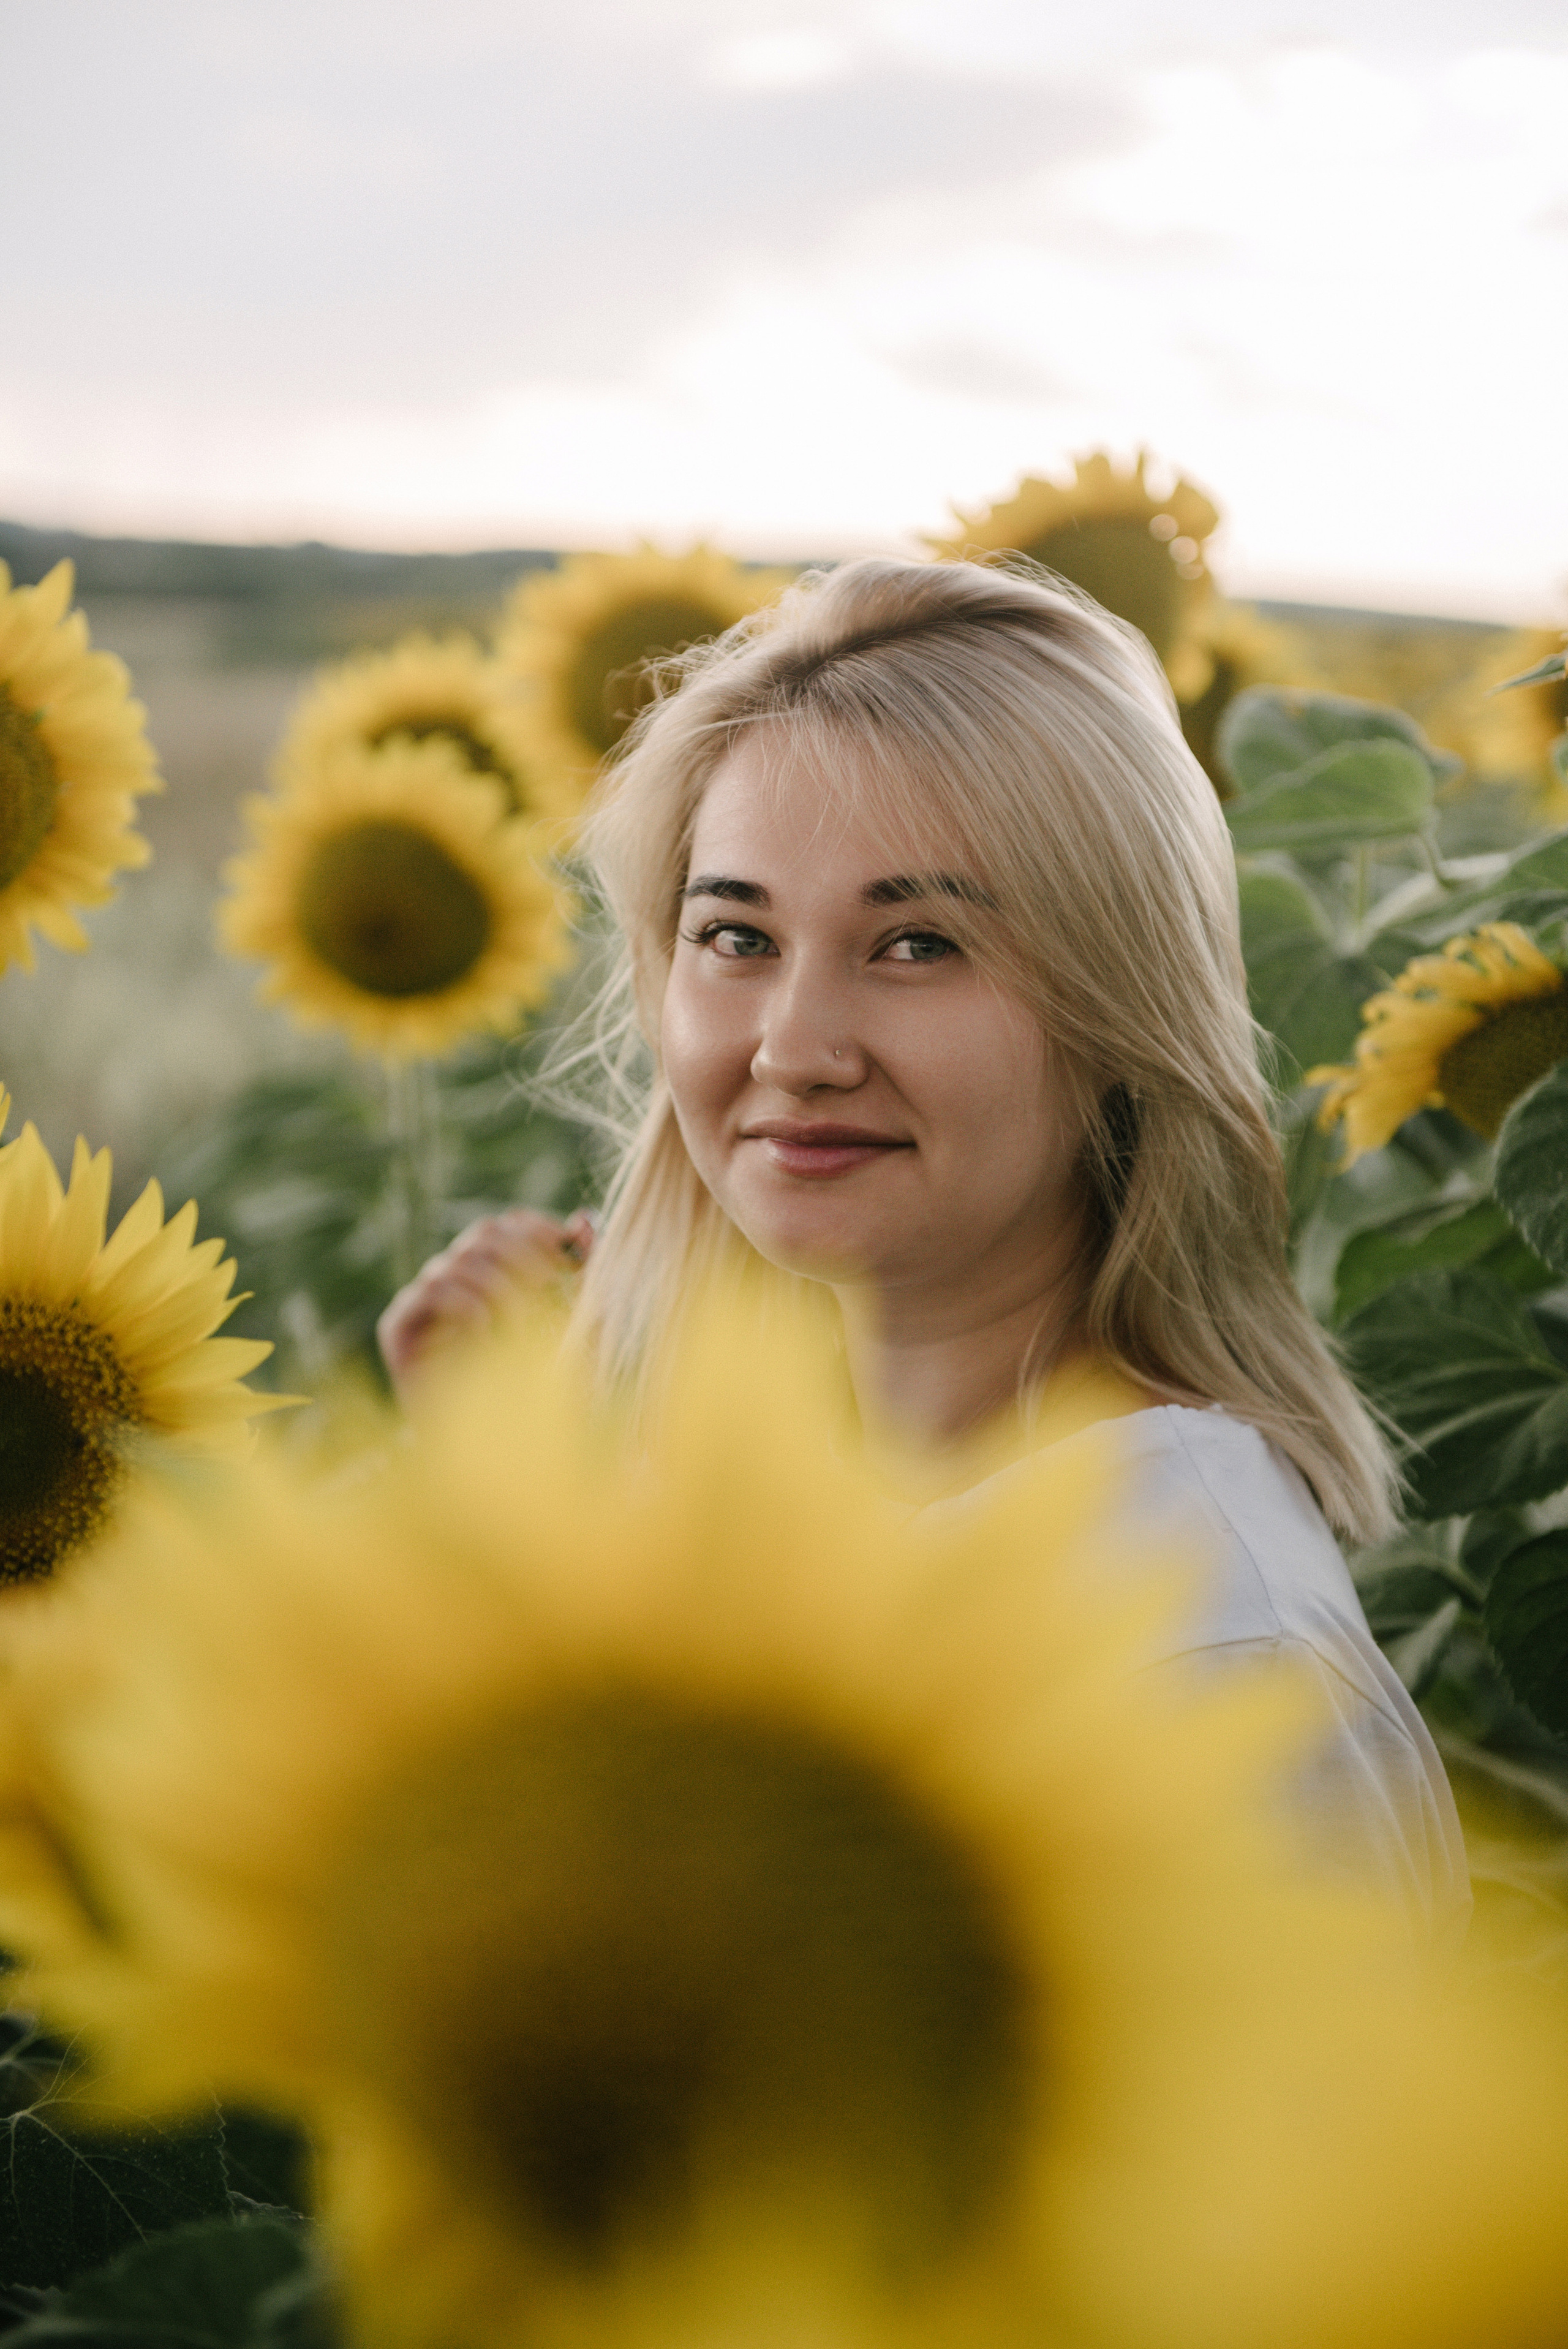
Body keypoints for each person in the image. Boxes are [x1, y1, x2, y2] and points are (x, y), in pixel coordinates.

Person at [378, 554, 1469, 1943]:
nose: (792, 1046)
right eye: (735, 933)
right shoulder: (791, 1517)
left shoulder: (1201, 1660)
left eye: (916, 943)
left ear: (1120, 1002)